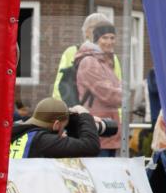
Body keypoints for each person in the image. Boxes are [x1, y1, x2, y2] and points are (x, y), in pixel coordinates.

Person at [75, 24, 122, 156]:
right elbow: (108, 94)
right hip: (98, 131)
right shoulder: (90, 62)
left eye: (112, 38)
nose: (109, 42)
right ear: (96, 40)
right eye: (105, 38)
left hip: (109, 129)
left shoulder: (104, 62)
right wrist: (126, 95)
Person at [53, 12, 121, 102]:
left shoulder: (112, 58)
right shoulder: (72, 52)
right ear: (86, 32)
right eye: (94, 28)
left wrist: (117, 115)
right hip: (76, 111)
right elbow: (60, 86)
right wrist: (64, 112)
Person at [10, 98, 101, 158]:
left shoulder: (16, 129)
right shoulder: (43, 141)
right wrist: (84, 114)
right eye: (63, 127)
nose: (63, 132)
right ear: (56, 125)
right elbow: (90, 146)